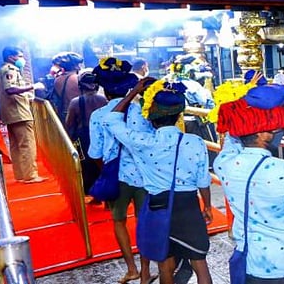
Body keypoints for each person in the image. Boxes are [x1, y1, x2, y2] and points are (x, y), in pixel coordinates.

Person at [102, 78, 213, 284]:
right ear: (179, 115)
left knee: (165, 266)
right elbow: (203, 180)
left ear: (151, 120)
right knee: (200, 264)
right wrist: (206, 205)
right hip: (189, 206)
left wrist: (134, 91)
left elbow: (110, 120)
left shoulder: (142, 142)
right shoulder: (195, 142)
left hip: (158, 207)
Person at [213, 83, 284, 284]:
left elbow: (231, 140)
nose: (280, 133)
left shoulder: (224, 165)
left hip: (248, 261)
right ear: (263, 135)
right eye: (276, 129)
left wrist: (241, 109)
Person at [88, 58, 156, 284]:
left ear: (103, 91)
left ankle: (131, 269)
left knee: (119, 221)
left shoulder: (98, 116)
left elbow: (95, 154)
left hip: (116, 176)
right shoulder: (142, 112)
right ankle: (146, 272)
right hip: (144, 175)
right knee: (143, 221)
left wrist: (106, 170)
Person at [0, 46, 45, 183]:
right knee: (27, 144)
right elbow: (10, 89)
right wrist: (33, 86)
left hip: (9, 113)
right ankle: (30, 175)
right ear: (11, 57)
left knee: (16, 145)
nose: (22, 59)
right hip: (19, 112)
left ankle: (21, 174)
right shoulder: (10, 70)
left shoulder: (0, 71)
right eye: (20, 56)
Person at [65, 71, 107, 198]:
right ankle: (105, 194)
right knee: (103, 164)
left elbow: (69, 123)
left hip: (84, 138)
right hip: (102, 135)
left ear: (80, 86)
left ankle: (93, 193)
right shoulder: (103, 100)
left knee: (87, 167)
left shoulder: (75, 102)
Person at [51, 51, 84, 123]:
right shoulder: (76, 78)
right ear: (74, 66)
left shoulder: (57, 80)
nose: (79, 67)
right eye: (78, 64)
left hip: (65, 115)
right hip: (80, 117)